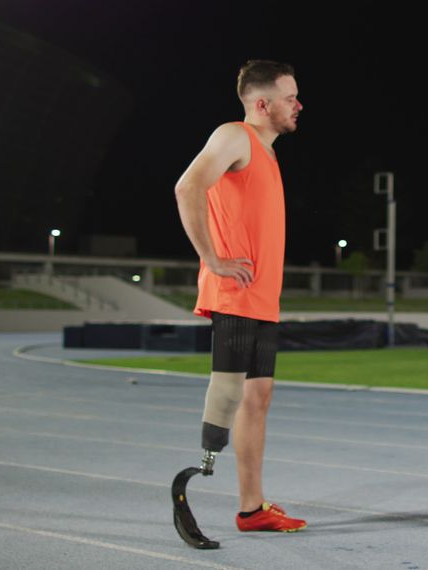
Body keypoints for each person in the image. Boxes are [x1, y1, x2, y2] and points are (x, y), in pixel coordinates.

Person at [174, 59, 305, 534]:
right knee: (231, 393)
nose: (299, 105)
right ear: (263, 103)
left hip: (262, 297)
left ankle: (252, 508)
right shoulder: (234, 135)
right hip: (235, 291)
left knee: (259, 397)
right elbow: (187, 187)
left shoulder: (268, 154)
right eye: (291, 97)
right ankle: (207, 465)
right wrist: (211, 257)